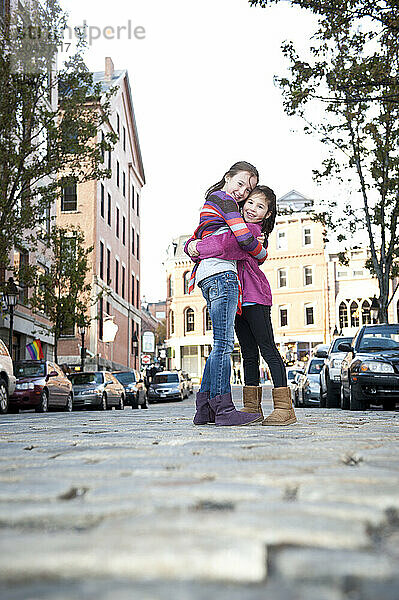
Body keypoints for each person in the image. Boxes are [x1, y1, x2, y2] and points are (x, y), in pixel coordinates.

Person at [192, 185, 297, 426]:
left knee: (268, 348)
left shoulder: (250, 231)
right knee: (249, 353)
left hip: (255, 297)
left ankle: (284, 407)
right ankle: (252, 406)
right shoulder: (234, 226)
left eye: (260, 206)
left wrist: (195, 248)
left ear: (267, 214)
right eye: (250, 203)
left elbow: (225, 247)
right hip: (237, 300)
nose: (252, 208)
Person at [185, 161, 267, 426]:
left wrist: (194, 246)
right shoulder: (224, 200)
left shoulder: (212, 204)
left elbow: (203, 239)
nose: (243, 192)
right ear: (227, 177)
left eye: (249, 189)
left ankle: (204, 407)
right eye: (241, 183)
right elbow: (241, 240)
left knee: (218, 344)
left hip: (208, 276)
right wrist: (259, 249)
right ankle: (223, 408)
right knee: (222, 344)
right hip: (222, 275)